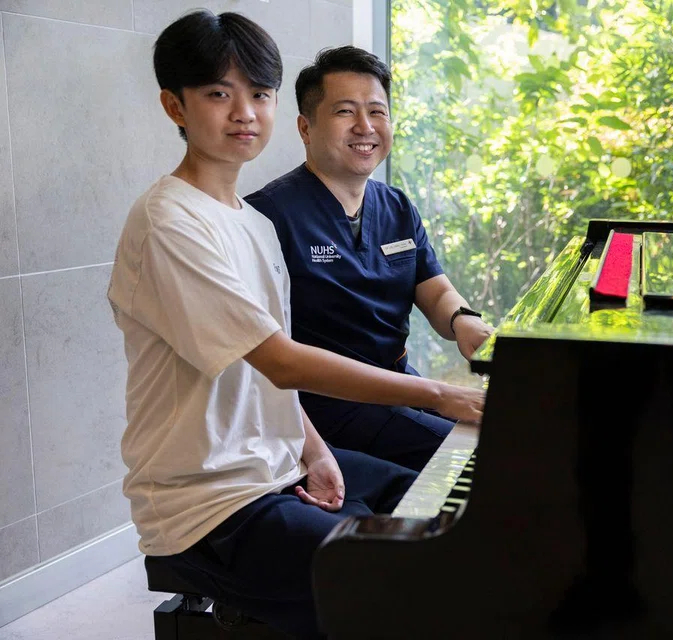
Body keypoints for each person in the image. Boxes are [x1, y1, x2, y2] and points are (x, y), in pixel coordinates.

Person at [107, 11, 483, 639]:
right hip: (214, 501)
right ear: (175, 105)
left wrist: (313, 450)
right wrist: (442, 394)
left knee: (458, 513)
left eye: (258, 94)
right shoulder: (170, 222)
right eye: (218, 95)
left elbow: (262, 371)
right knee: (402, 582)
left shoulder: (249, 223)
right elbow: (281, 359)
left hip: (279, 464)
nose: (244, 113)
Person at [245, 46, 494, 473]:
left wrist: (463, 320)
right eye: (345, 112)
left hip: (400, 386)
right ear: (306, 128)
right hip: (327, 407)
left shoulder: (395, 205)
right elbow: (265, 359)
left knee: (512, 429)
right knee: (485, 456)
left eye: (377, 112)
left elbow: (433, 288)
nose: (365, 127)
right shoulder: (268, 216)